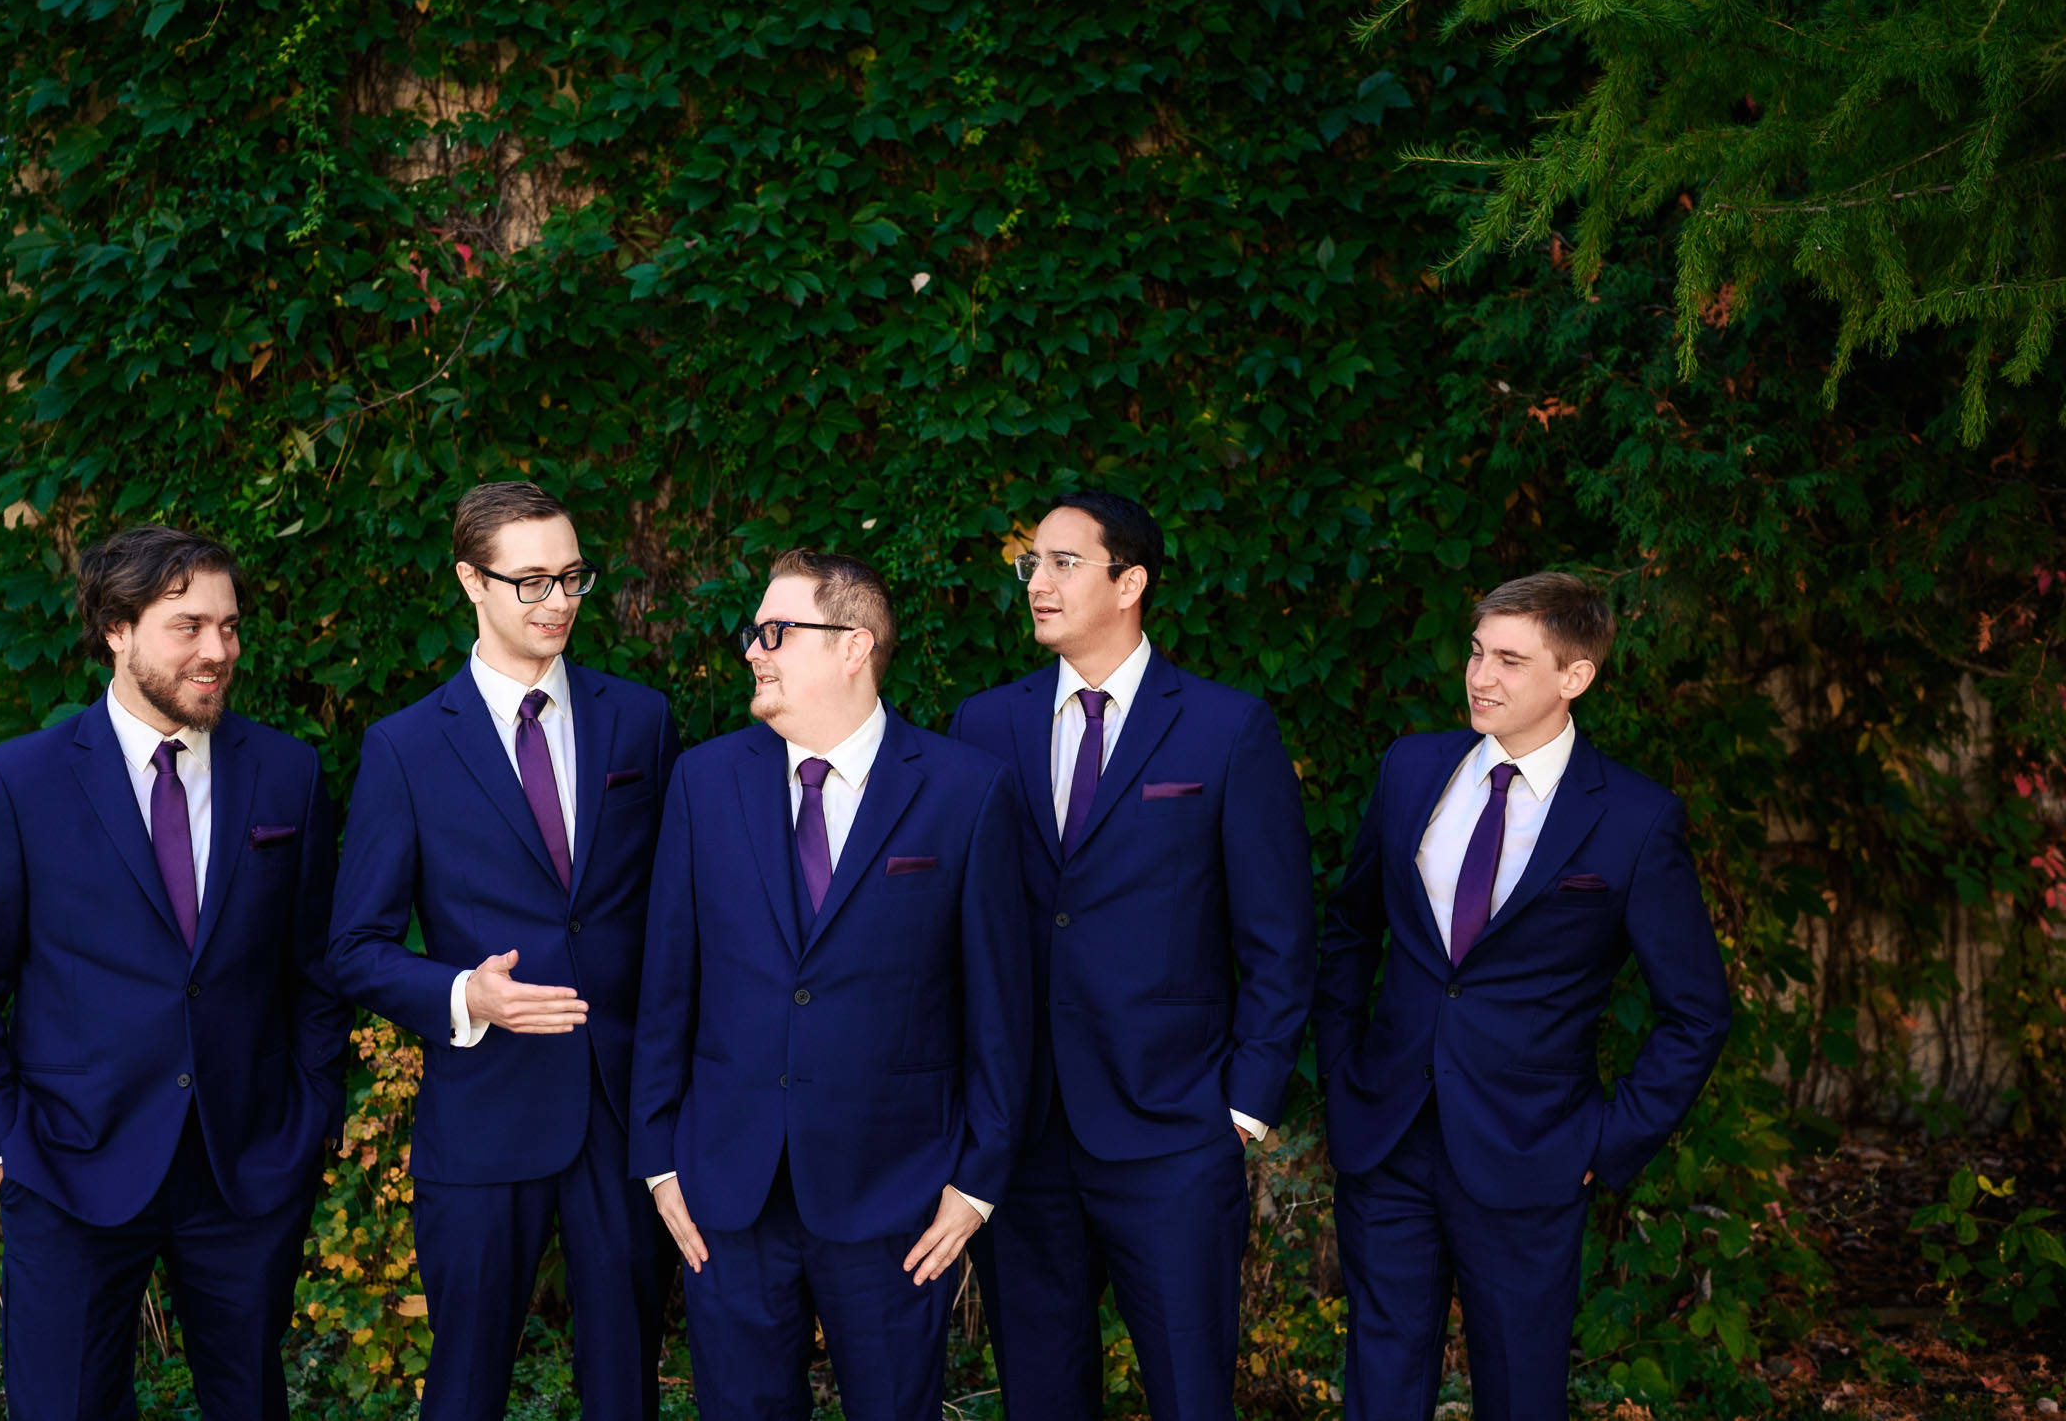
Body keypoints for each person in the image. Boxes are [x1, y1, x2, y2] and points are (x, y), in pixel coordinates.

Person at [0, 525, 348, 1421]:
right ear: (116, 629)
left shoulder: (287, 773)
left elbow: (313, 969)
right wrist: (3, 1152)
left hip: (244, 1166)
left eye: (229, 626)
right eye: (187, 625)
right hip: (67, 1165)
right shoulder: (18, 784)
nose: (218, 649)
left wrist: (309, 1114)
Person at [1312, 572, 1731, 1421]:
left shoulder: (1635, 819)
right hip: (1387, 1132)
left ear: (1575, 675)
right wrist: (1342, 1068)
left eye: (1510, 659)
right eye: (1476, 652)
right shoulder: (1410, 768)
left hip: (1533, 1149)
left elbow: (1696, 1011)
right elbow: (1350, 928)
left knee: (1520, 1393)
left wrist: (1607, 1140)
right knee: (1380, 1385)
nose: (1480, 676)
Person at [630, 550, 1031, 1421]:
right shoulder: (704, 781)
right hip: (726, 1192)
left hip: (897, 1193)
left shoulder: (965, 791)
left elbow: (1000, 1008)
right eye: (754, 632)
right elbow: (667, 984)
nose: (752, 650)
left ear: (855, 646)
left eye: (776, 631)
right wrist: (659, 1161)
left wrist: (977, 1183)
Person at [947, 488, 1316, 1421]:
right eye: (1031, 562)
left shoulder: (1227, 729)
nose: (1038, 580)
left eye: (1064, 562)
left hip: (1174, 1132)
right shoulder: (982, 725)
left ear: (1131, 582)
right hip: (1024, 1134)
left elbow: (1278, 936)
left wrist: (1242, 1110)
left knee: (1192, 1394)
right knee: (1040, 1397)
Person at [327, 482, 680, 1421]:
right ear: (470, 581)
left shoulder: (640, 720)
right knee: (466, 1386)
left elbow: (674, 912)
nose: (558, 601)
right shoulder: (404, 747)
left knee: (627, 1383)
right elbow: (354, 947)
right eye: (530, 581)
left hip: (622, 1107)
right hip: (482, 1115)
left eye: (571, 576)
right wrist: (464, 996)